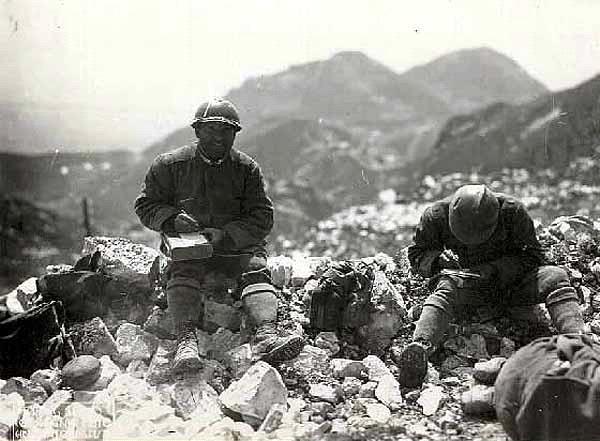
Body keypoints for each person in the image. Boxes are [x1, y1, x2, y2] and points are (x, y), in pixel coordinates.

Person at [134, 98, 303, 373]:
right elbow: (145, 205)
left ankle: (266, 336)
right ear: (197, 131)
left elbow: (262, 215)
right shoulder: (169, 165)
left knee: (256, 269)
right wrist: (172, 219)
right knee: (183, 272)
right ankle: (186, 341)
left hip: (233, 247)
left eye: (226, 131)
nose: (218, 137)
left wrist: (225, 234)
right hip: (189, 248)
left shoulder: (247, 169)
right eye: (211, 129)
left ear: (235, 135)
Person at [396, 184, 585, 387]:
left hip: (512, 285)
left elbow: (533, 257)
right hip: (468, 288)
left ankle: (579, 341)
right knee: (445, 288)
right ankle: (420, 347)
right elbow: (417, 256)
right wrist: (439, 260)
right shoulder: (435, 216)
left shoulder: (513, 212)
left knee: (556, 277)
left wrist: (494, 269)